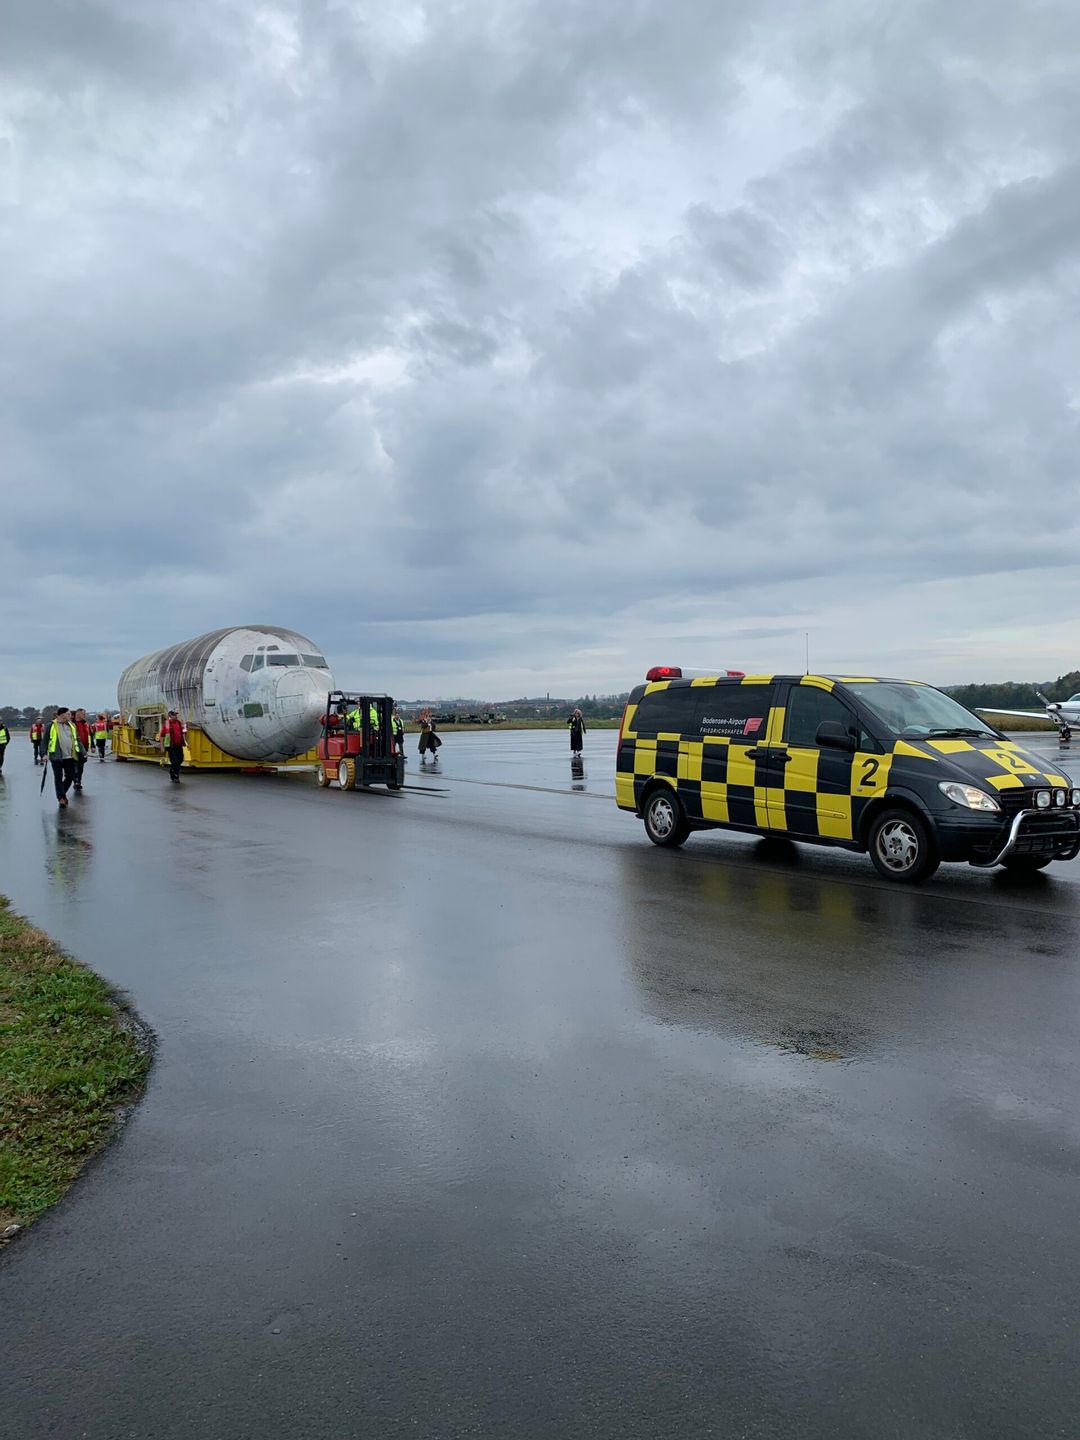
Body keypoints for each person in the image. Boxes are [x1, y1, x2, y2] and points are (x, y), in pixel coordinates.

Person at [47, 706, 81, 807]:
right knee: (58, 777)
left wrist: (83, 752)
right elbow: (44, 741)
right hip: (56, 757)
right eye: (68, 714)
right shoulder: (51, 725)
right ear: (62, 715)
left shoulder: (72, 725)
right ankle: (61, 798)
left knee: (70, 777)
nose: (70, 716)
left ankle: (62, 793)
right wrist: (43, 754)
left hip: (69, 756)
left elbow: (77, 739)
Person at [158, 710, 186, 783]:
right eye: (174, 715)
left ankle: (172, 770)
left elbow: (184, 733)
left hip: (179, 745)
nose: (176, 716)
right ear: (170, 716)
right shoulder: (167, 724)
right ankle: (175, 776)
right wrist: (162, 747)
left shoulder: (179, 723)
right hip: (171, 745)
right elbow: (162, 736)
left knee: (180, 759)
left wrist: (188, 743)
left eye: (176, 715)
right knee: (175, 761)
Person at [73, 708, 92, 791]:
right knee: (76, 765)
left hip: (84, 747)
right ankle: (76, 781)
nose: (85, 715)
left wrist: (92, 746)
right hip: (75, 748)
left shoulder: (85, 724)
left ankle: (79, 780)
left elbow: (90, 734)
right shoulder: (72, 724)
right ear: (78, 714)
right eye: (83, 714)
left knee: (81, 766)